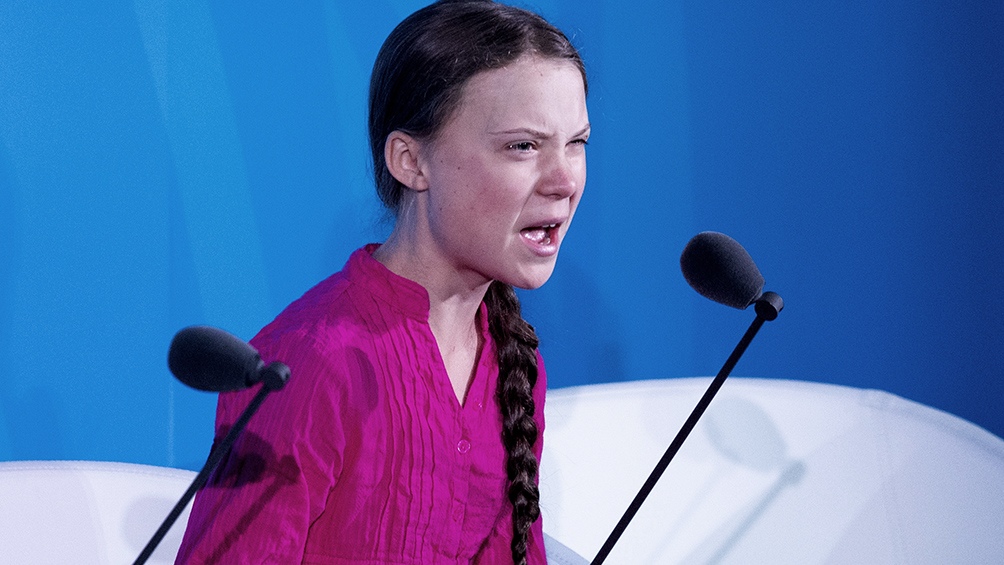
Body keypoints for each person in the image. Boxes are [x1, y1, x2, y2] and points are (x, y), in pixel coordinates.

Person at [174, 1, 589, 563]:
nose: (565, 180)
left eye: (577, 143)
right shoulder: (310, 362)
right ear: (410, 161)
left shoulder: (515, 363)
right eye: (523, 145)